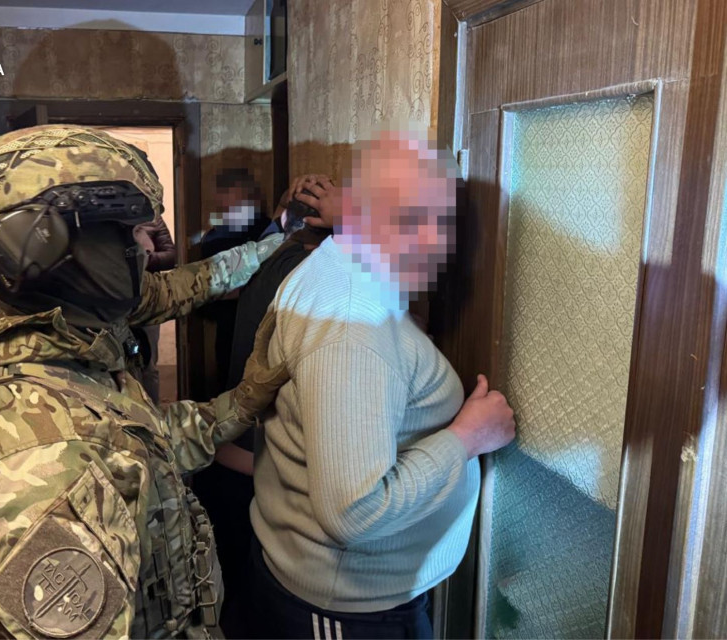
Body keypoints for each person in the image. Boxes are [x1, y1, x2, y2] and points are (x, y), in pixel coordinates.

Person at [0, 125, 289, 639]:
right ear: (53, 246)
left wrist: (237, 406)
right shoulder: (42, 463)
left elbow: (129, 444)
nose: (145, 249)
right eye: (130, 233)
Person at [246, 130, 517, 639]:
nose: (433, 241)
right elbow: (354, 513)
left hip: (350, 594)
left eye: (440, 219)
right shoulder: (353, 329)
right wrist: (468, 438)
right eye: (406, 218)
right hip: (349, 609)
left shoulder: (340, 265)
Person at [191, 187, 333, 637]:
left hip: (232, 449)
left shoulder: (266, 256)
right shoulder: (307, 275)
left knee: (231, 592)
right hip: (256, 464)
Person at [198, 168, 279, 397]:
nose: (227, 205)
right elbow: (206, 284)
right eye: (223, 198)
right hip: (229, 324)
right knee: (230, 382)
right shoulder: (215, 236)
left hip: (262, 322)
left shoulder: (266, 232)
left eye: (234, 198)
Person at [133, 215, 177, 403]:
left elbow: (171, 256)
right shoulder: (107, 216)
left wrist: (144, 259)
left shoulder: (153, 217)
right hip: (115, 301)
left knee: (148, 364)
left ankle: (153, 412)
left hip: (148, 300)